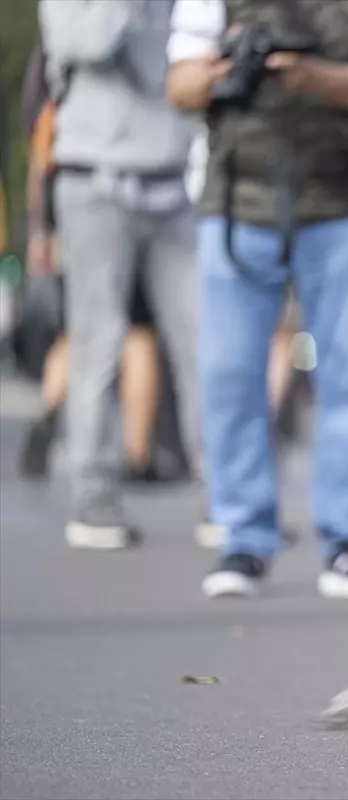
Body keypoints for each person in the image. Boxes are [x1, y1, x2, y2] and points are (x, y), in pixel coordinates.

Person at [166, 0, 348, 598]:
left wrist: (310, 75)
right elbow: (180, 85)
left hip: (342, 201)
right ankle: (242, 539)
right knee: (230, 374)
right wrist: (229, 64)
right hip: (237, 203)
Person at [38, 1, 204, 547]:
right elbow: (84, 44)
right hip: (94, 179)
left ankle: (227, 496)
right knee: (99, 342)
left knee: (203, 344)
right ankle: (94, 495)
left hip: (174, 180)